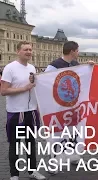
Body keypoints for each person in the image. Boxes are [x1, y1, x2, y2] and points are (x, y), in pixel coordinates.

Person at [44, 41, 94, 174]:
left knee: (73, 132)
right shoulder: (54, 66)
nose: (78, 53)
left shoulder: (76, 65)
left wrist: (88, 67)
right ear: (72, 51)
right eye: (77, 51)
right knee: (57, 135)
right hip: (58, 107)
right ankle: (53, 163)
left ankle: (73, 156)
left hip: (74, 107)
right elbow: (45, 84)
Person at [1, 41, 46, 180]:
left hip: (31, 111)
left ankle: (32, 171)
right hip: (16, 112)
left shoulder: (32, 67)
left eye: (30, 49)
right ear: (18, 51)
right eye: (25, 49)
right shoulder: (10, 68)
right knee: (15, 144)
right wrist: (24, 88)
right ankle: (14, 175)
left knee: (31, 143)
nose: (29, 52)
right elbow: (3, 91)